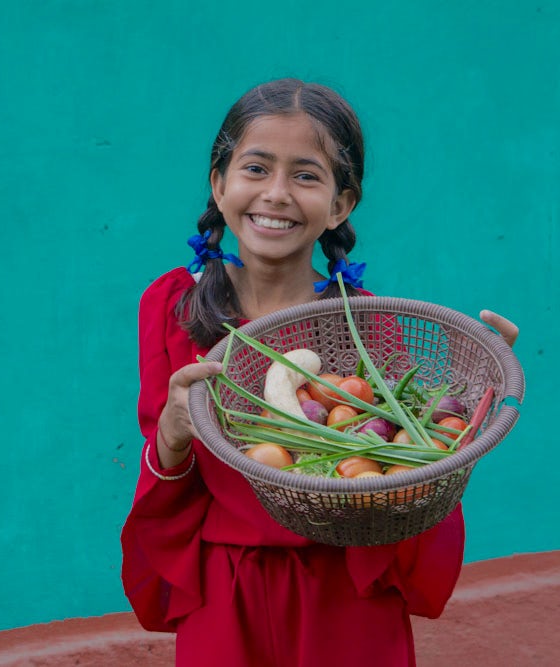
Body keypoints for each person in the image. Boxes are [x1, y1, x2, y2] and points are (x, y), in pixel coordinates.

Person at [120, 78, 518, 666]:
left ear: (341, 204)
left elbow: (402, 466)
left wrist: (468, 408)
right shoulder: (172, 308)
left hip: (344, 592)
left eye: (306, 175)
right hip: (226, 596)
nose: (276, 194)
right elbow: (165, 466)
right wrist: (174, 440)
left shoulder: (369, 324)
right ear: (219, 183)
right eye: (255, 168)